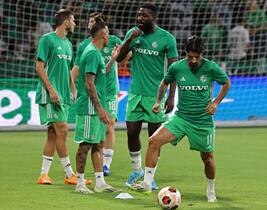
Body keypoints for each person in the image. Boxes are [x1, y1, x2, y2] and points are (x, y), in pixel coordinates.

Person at [131, 36, 231, 203]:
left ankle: (211, 190)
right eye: (190, 56)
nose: (193, 60)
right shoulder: (177, 67)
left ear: (202, 54)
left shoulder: (211, 68)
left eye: (196, 57)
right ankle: (147, 183)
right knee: (154, 141)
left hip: (202, 121)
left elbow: (226, 83)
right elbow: (164, 83)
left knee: (207, 158)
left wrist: (216, 102)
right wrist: (157, 101)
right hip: (181, 118)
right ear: (185, 52)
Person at [116, 3, 178, 190]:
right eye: (138, 15)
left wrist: (170, 97)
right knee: (132, 132)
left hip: (155, 96)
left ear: (153, 18)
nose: (139, 18)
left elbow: (173, 70)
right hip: (135, 93)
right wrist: (129, 41)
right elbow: (119, 59)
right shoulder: (133, 34)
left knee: (155, 138)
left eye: (144, 16)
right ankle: (136, 170)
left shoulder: (167, 39)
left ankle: (150, 176)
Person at [35, 9, 91, 185]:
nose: (75, 23)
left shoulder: (67, 43)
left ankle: (44, 174)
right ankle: (69, 174)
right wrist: (51, 90)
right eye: (73, 20)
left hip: (64, 95)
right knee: (62, 130)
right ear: (66, 22)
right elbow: (39, 66)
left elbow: (67, 71)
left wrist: (73, 90)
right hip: (50, 94)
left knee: (53, 134)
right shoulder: (47, 39)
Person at [71, 12, 127, 177]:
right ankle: (80, 181)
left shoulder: (101, 49)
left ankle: (101, 175)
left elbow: (105, 70)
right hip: (91, 103)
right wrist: (72, 89)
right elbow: (89, 83)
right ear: (103, 34)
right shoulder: (90, 51)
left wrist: (115, 57)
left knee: (100, 139)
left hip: (106, 95)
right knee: (87, 143)